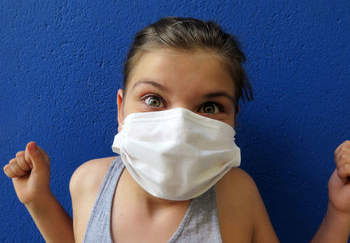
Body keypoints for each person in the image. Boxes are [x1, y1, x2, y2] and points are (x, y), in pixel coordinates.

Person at [3, 17, 350, 243]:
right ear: (121, 108)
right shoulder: (89, 181)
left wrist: (340, 211)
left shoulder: (237, 195)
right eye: (154, 100)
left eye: (209, 107)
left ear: (233, 119)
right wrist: (39, 201)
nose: (178, 129)